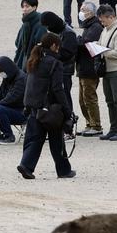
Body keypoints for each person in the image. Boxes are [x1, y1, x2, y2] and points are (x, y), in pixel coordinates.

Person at [17, 33, 75, 179]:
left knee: (34, 139)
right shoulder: (55, 63)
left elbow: (29, 84)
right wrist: (68, 111)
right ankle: (64, 170)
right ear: (54, 46)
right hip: (50, 109)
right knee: (57, 141)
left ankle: (26, 165)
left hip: (33, 107)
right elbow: (58, 89)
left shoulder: (33, 59)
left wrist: (27, 105)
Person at [94, 4, 117, 141]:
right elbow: (100, 44)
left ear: (112, 17)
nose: (102, 22)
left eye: (103, 20)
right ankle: (114, 128)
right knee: (110, 101)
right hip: (108, 71)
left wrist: (102, 50)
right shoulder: (105, 30)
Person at [75, 2, 104, 135]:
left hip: (90, 68)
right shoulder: (88, 26)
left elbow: (86, 44)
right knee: (82, 99)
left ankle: (96, 125)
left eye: (84, 10)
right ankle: (89, 123)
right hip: (83, 67)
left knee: (89, 97)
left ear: (91, 12)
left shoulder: (96, 26)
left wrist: (77, 40)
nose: (81, 12)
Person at [41, 11, 78, 110]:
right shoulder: (56, 31)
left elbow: (67, 54)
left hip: (65, 71)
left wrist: (51, 52)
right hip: (55, 69)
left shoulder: (68, 33)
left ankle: (69, 118)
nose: (47, 28)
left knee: (64, 96)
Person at [15, 0, 47, 71]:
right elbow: (18, 42)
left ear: (34, 7)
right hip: (21, 59)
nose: (24, 9)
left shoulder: (40, 24)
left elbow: (39, 43)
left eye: (27, 6)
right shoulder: (25, 23)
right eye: (23, 7)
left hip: (32, 61)